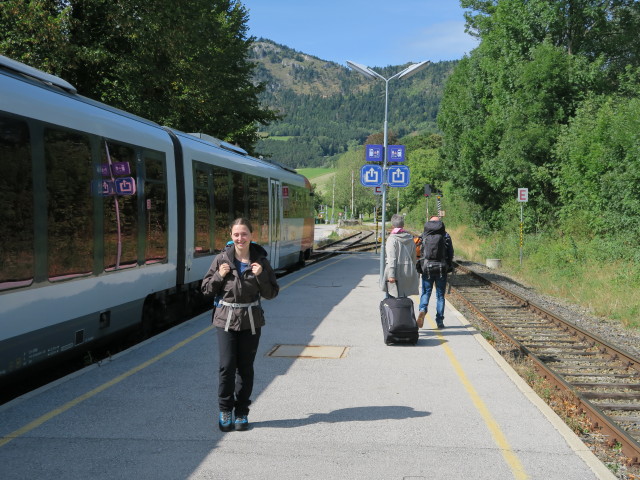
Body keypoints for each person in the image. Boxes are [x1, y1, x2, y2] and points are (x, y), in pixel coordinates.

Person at [201, 218, 279, 432]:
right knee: (227, 366)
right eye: (236, 234)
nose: (240, 238)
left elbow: (272, 293)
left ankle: (242, 412)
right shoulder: (221, 259)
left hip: (251, 320)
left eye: (244, 234)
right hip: (225, 319)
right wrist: (220, 274)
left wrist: (261, 276)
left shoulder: (261, 261)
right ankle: (225, 410)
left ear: (251, 236)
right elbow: (206, 289)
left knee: (245, 368)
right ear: (231, 236)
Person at [417, 216, 454, 329]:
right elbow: (451, 253)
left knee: (426, 292)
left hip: (427, 267)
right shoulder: (446, 236)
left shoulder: (424, 235)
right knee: (440, 296)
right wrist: (448, 265)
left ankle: (422, 309)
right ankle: (439, 321)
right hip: (441, 268)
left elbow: (419, 251)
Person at [380, 214, 420, 298]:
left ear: (392, 225)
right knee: (403, 299)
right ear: (403, 225)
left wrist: (391, 275)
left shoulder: (392, 239)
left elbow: (392, 258)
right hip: (407, 272)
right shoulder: (410, 239)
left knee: (392, 300)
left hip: (395, 272)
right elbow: (414, 257)